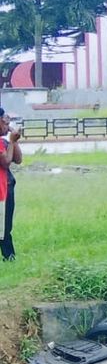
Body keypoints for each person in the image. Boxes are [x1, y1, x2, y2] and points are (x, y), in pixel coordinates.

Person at [0, 106, 23, 261]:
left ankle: (9, 257)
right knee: (3, 225)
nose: (7, 126)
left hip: (6, 187)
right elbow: (6, 162)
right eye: (4, 123)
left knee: (6, 224)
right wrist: (12, 141)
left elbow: (18, 159)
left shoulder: (3, 141)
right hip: (1, 189)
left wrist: (13, 141)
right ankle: (9, 257)